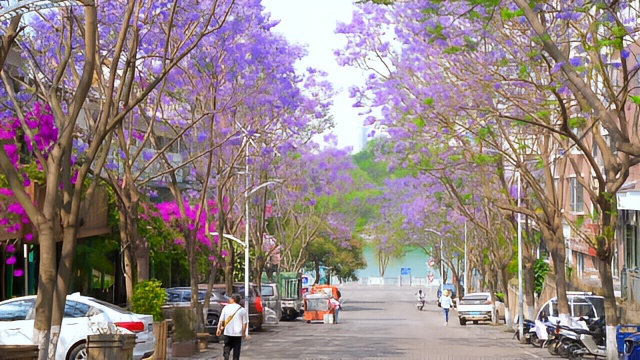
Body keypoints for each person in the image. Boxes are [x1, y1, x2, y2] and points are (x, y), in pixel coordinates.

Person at [216, 294, 249, 360]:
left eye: (230, 298)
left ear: (233, 299)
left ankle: (226, 357)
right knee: (236, 350)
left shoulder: (226, 308)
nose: (229, 299)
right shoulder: (242, 310)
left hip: (227, 332)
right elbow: (245, 323)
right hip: (238, 334)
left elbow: (221, 320)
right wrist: (243, 332)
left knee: (227, 347)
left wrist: (218, 329)